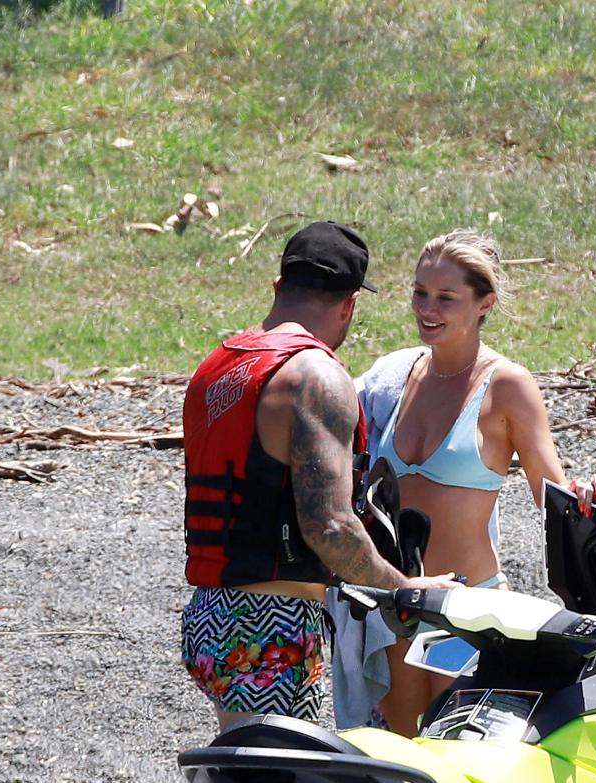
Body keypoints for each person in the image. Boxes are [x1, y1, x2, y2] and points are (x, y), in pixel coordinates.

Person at [180, 220, 459, 731]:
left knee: (252, 776)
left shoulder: (218, 364)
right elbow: (330, 528)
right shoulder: (314, 376)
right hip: (269, 622)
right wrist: (403, 593)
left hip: (210, 612)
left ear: (278, 286)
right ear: (350, 302)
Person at [347, 229, 596, 737]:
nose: (427, 308)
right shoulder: (401, 376)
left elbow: (550, 493)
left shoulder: (507, 386)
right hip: (402, 602)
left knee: (456, 760)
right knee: (398, 761)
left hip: (468, 607)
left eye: (445, 298)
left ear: (485, 303)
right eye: (420, 292)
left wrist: (588, 495)